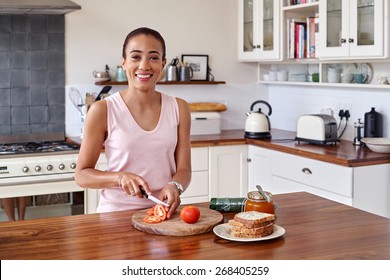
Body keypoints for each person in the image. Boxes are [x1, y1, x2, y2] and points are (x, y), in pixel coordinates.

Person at [75, 27, 192, 218]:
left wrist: (175, 186)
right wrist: (119, 177)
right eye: (136, 57)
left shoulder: (179, 108)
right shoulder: (102, 110)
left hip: (162, 214)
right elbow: (82, 175)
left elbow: (184, 170)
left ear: (163, 64)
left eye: (153, 58)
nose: (144, 66)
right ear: (124, 63)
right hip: (116, 217)